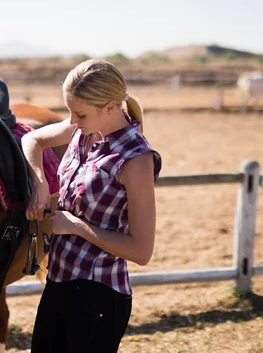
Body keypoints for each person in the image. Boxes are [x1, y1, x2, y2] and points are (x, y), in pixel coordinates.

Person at [21, 59, 162, 352]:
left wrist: (77, 227)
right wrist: (40, 182)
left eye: (79, 114)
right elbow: (31, 139)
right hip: (58, 281)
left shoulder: (136, 159)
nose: (72, 121)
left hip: (99, 294)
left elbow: (141, 251)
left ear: (110, 107)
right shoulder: (83, 130)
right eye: (70, 111)